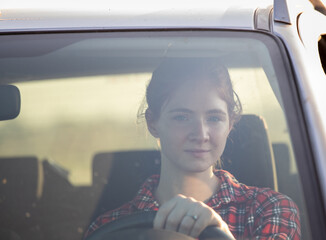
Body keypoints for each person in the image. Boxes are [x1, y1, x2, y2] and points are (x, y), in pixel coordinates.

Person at [84, 59, 301, 239]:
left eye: (214, 118)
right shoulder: (109, 228)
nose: (200, 134)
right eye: (182, 117)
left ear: (230, 124)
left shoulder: (270, 210)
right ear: (153, 123)